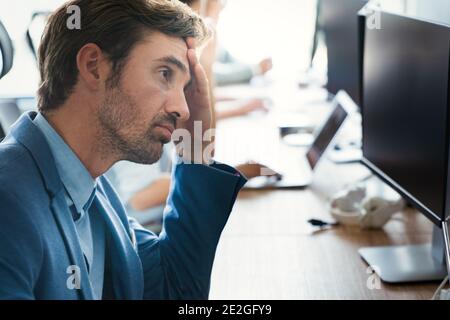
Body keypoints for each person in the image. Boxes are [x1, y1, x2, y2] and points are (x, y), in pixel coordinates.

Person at [0, 0, 247, 300]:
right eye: (165, 74)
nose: (182, 109)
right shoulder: (9, 201)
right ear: (94, 66)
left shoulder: (95, 193)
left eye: (184, 88)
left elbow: (176, 291)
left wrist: (195, 148)